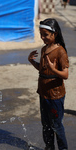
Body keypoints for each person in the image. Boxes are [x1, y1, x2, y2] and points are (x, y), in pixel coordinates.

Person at [28, 18, 68, 150]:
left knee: (56, 125)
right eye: (41, 34)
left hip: (55, 94)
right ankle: (49, 147)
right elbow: (43, 69)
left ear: (54, 34)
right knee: (45, 123)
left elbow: (65, 75)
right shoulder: (44, 49)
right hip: (43, 92)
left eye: (45, 34)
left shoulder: (60, 51)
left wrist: (54, 69)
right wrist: (32, 61)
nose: (42, 37)